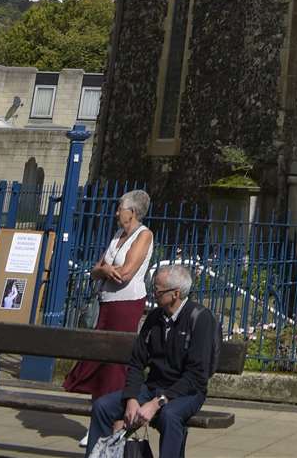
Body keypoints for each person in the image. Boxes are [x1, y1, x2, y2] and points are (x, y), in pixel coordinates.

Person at [85, 265, 220, 458]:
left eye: (157, 290)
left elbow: (196, 376)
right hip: (152, 387)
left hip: (186, 392)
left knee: (169, 416)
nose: (153, 293)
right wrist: (131, 398)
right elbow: (137, 362)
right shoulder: (155, 318)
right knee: (103, 406)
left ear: (175, 294)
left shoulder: (200, 319)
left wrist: (157, 403)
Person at [64, 191, 153, 399]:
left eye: (119, 208)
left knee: (115, 361)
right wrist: (105, 271)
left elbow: (126, 273)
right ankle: (98, 416)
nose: (116, 213)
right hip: (106, 302)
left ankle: (114, 418)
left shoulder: (144, 235)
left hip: (126, 304)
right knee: (100, 356)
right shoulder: (117, 236)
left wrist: (108, 270)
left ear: (132, 212)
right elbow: (96, 270)